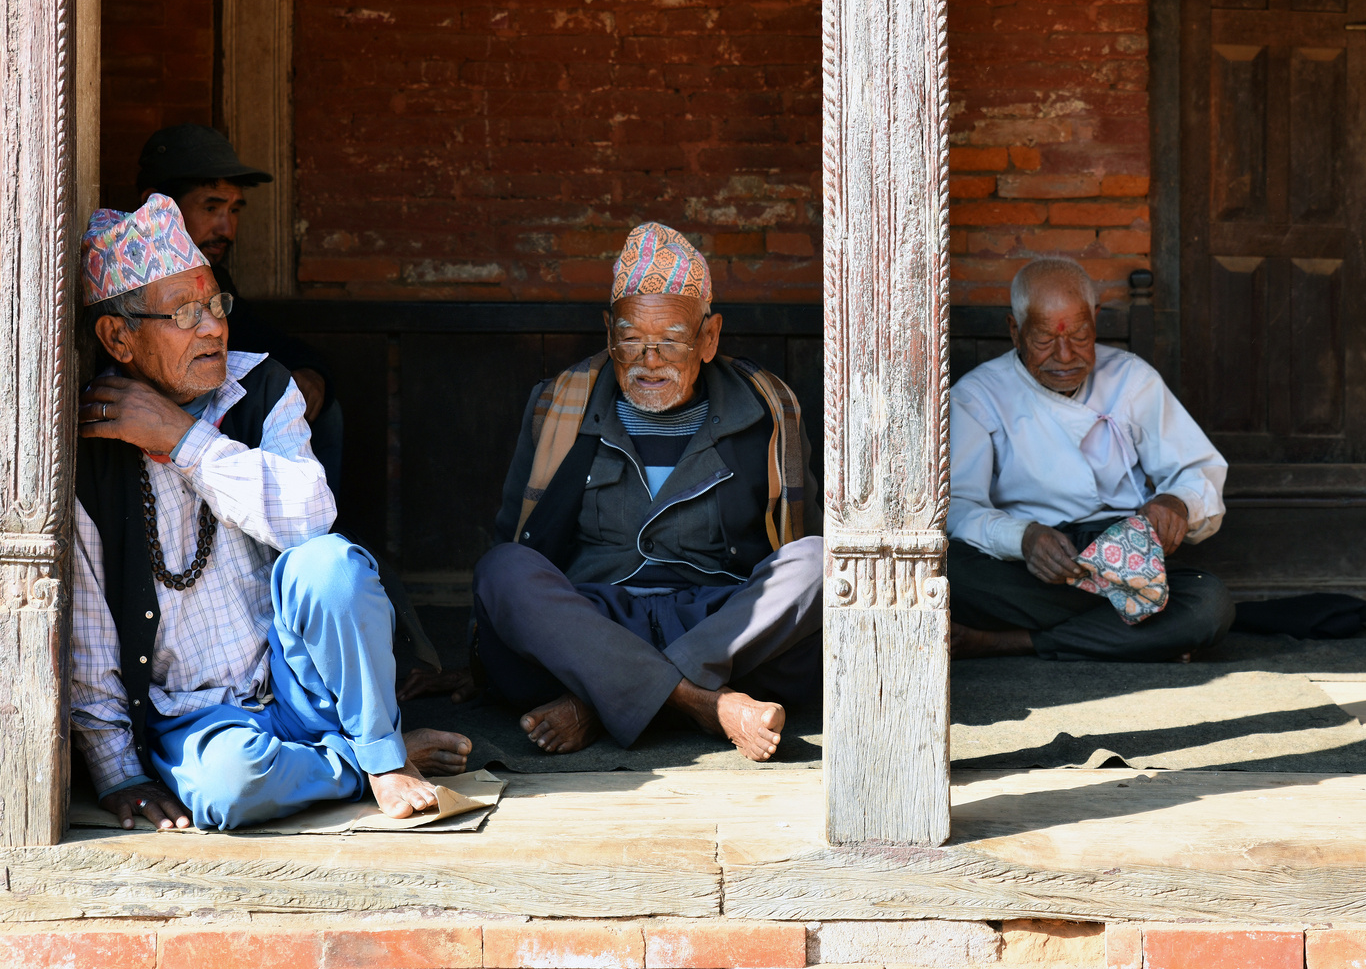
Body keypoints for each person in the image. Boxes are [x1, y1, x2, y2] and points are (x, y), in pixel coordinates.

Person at [71, 194, 471, 831]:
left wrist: (183, 439)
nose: (212, 328)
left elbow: (310, 517)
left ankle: (378, 749)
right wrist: (118, 772)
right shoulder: (90, 458)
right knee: (228, 792)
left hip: (301, 683)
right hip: (199, 715)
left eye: (214, 304)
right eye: (183, 312)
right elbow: (88, 634)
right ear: (119, 337)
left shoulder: (261, 387)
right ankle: (363, 762)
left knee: (331, 566)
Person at [458, 223, 823, 759]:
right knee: (502, 568)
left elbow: (796, 537)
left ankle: (597, 703)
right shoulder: (560, 403)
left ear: (709, 337)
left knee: (822, 560)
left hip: (720, 622)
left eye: (672, 340)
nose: (650, 360)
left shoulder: (766, 409)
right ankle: (707, 705)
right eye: (631, 339)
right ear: (609, 334)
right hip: (594, 618)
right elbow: (517, 534)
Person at [945, 256, 1234, 662]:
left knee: (1209, 603)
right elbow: (957, 508)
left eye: (1080, 334)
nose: (1065, 355)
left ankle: (1008, 641)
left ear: (1096, 319)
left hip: (1121, 558)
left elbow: (1196, 470)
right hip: (1031, 566)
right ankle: (1136, 629)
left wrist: (1177, 502)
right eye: (1045, 339)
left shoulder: (1131, 378)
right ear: (1015, 330)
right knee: (949, 573)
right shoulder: (978, 396)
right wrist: (1024, 539)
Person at [134, 123, 340, 483]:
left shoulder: (218, 280)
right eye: (212, 207)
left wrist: (311, 374)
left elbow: (270, 343)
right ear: (154, 204)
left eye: (233, 210)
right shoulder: (127, 286)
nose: (226, 228)